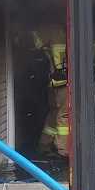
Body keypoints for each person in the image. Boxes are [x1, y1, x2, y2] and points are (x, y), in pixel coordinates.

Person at [34, 24, 70, 157]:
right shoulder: (68, 32)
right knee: (64, 115)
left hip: (54, 82)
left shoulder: (50, 31)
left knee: (54, 114)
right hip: (64, 83)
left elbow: (36, 44)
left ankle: (44, 144)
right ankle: (63, 150)